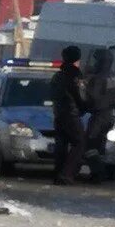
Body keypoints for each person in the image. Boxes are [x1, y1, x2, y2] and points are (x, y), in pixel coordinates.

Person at [50, 45, 87, 184]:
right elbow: (81, 97)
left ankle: (58, 173)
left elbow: (52, 94)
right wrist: (86, 107)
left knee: (61, 143)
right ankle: (66, 174)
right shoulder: (76, 76)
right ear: (77, 59)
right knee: (79, 143)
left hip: (58, 114)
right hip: (71, 114)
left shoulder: (58, 75)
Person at [84, 49, 115, 183]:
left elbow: (93, 98)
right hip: (110, 116)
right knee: (102, 146)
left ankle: (97, 172)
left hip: (99, 116)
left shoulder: (97, 79)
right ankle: (102, 171)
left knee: (90, 144)